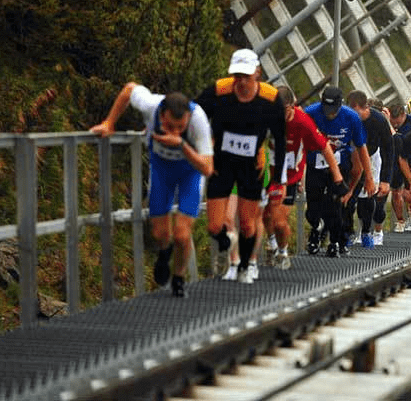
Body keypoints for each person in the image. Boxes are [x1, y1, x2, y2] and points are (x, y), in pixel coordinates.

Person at [91, 83, 213, 297]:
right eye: (170, 126)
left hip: (190, 174)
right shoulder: (150, 104)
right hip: (162, 171)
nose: (175, 132)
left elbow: (207, 167)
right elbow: (129, 89)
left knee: (183, 235)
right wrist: (109, 122)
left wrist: (181, 145)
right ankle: (165, 252)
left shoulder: (198, 119)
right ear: (162, 114)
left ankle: (178, 278)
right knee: (159, 232)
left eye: (180, 128)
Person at [195, 48, 287, 285]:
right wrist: (206, 147)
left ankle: (245, 265)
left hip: (251, 164)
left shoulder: (270, 98)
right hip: (221, 163)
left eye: (246, 75)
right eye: (237, 75)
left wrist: (278, 178)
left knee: (247, 222)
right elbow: (195, 116)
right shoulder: (219, 90)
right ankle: (232, 255)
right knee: (215, 225)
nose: (242, 81)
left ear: (257, 73)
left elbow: (280, 137)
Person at [263, 86, 346, 269]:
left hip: (290, 175)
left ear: (291, 106)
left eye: (283, 111)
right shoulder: (267, 118)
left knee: (278, 220)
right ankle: (271, 244)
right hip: (269, 170)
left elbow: (325, 148)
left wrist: (338, 177)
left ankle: (283, 251)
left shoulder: (302, 122)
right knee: (266, 215)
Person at [305, 86, 374, 257]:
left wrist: (369, 177)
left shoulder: (351, 118)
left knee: (334, 205)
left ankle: (336, 242)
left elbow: (361, 148)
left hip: (340, 166)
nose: (330, 114)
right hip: (316, 164)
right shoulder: (311, 113)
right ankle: (317, 226)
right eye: (327, 110)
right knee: (313, 206)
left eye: (333, 111)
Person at [345, 90, 394, 248]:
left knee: (368, 198)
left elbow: (389, 149)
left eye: (355, 111)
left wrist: (386, 179)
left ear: (365, 107)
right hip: (352, 157)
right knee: (348, 198)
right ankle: (347, 232)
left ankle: (367, 231)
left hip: (372, 158)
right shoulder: (347, 118)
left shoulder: (378, 120)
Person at [388, 103, 411, 231]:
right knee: (396, 192)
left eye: (397, 122)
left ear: (403, 115)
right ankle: (400, 221)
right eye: (393, 122)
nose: (395, 125)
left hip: (410, 163)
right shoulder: (387, 123)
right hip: (394, 161)